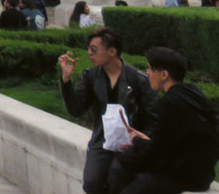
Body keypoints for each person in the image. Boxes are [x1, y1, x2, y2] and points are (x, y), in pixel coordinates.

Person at [58, 27, 158, 194]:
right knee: (91, 182)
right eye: (89, 48)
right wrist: (66, 80)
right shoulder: (90, 76)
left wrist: (140, 142)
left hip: (131, 144)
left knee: (116, 179)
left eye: (94, 49)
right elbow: (76, 110)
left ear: (112, 51)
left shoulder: (138, 80)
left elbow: (153, 119)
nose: (89, 53)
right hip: (102, 142)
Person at [115, 47, 219, 194]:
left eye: (151, 69)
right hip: (201, 172)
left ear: (164, 74)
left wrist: (137, 140)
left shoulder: (172, 102)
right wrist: (144, 141)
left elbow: (158, 151)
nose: (147, 73)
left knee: (121, 167)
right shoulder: (191, 92)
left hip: (186, 175)